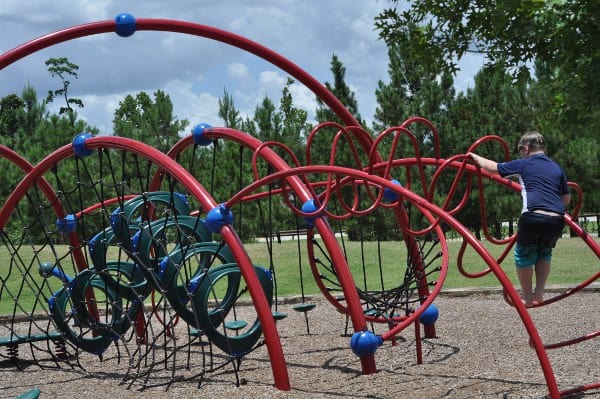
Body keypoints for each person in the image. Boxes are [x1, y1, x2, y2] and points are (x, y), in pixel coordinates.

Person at [468, 131, 571, 307]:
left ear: (525, 148)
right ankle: (539, 293)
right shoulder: (556, 168)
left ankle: (528, 298)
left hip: (532, 215)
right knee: (544, 252)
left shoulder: (525, 163)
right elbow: (566, 199)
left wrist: (474, 156)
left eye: (519, 151)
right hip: (556, 218)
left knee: (523, 254)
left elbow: (493, 168)